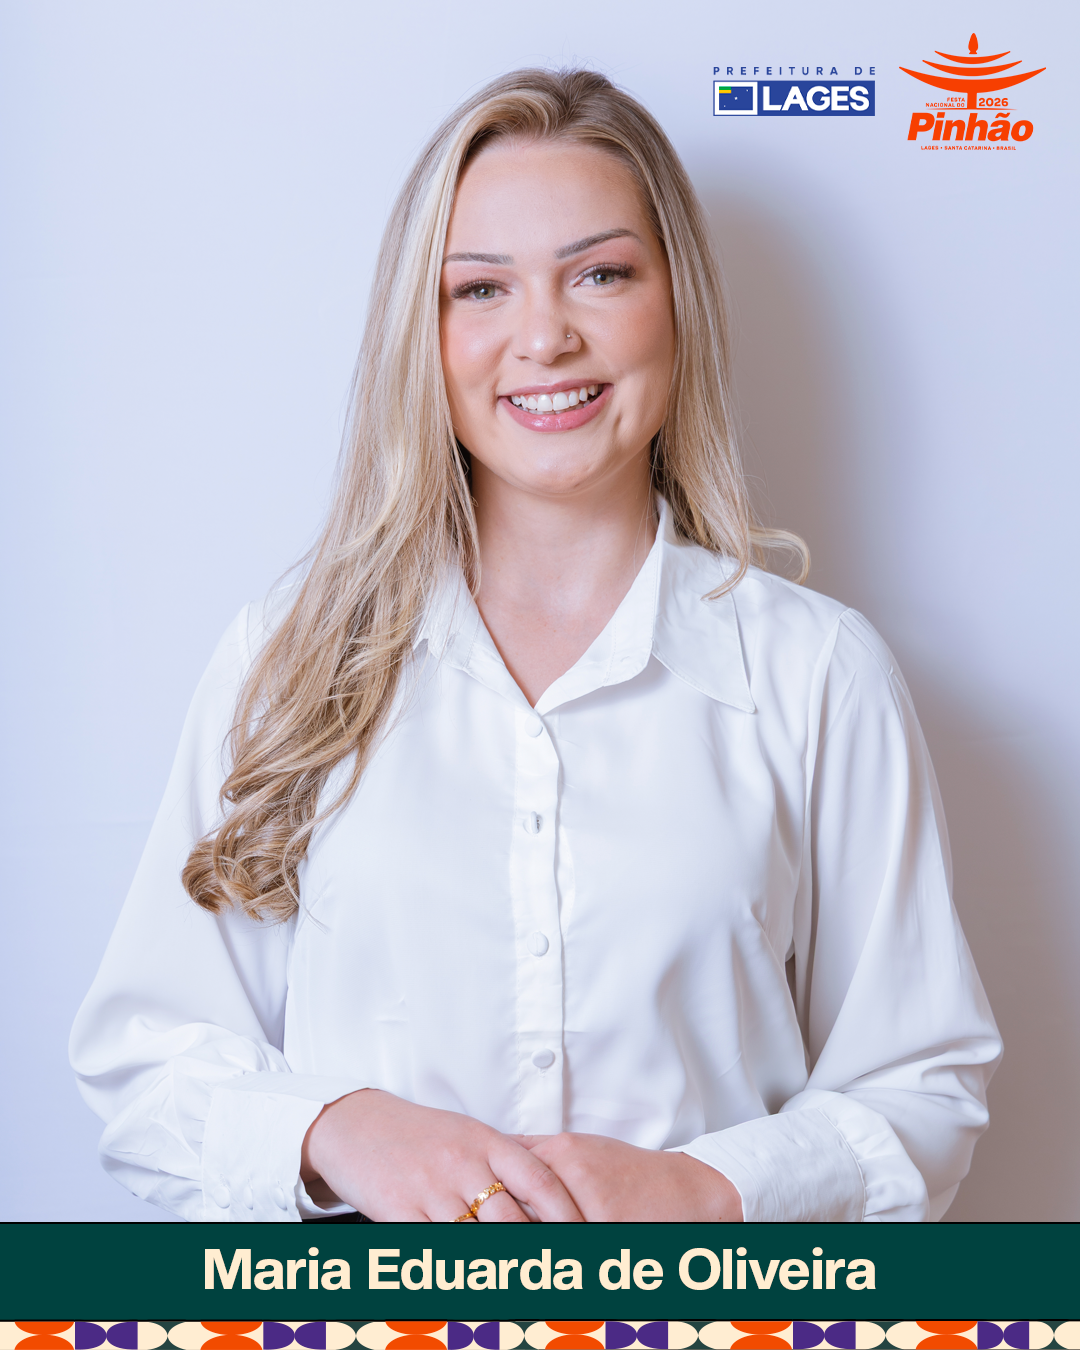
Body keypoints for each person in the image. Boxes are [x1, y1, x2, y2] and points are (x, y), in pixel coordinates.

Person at [70, 68, 1001, 1225]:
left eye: (600, 274)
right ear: (424, 333)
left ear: (678, 303)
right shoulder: (287, 657)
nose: (546, 337)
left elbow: (922, 1087)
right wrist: (337, 1132)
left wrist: (705, 1188)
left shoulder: (820, 676)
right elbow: (146, 1060)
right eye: (480, 289)